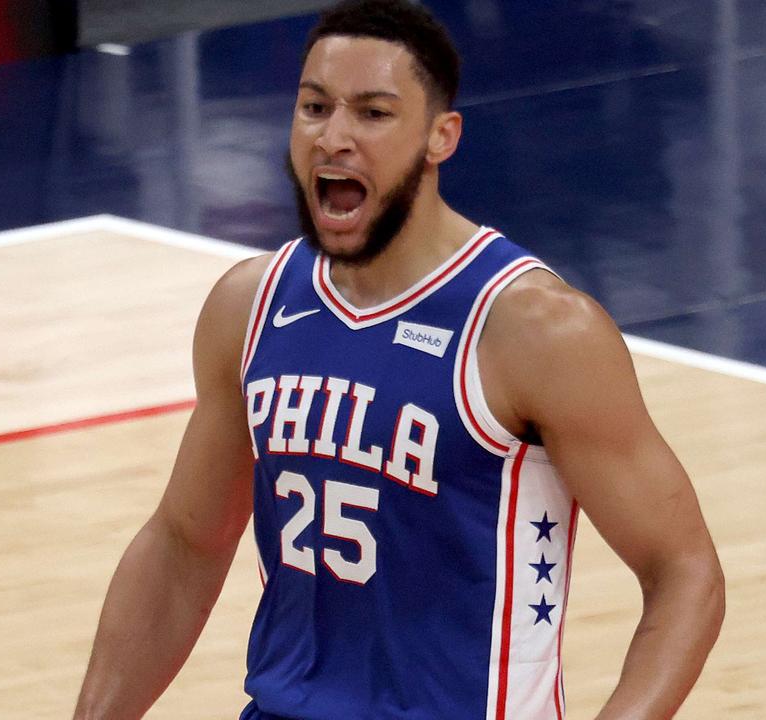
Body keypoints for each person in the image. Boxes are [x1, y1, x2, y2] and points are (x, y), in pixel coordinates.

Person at [72, 1, 725, 718]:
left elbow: (686, 571)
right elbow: (183, 546)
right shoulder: (248, 306)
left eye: (373, 113)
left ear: (440, 136)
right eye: (314, 107)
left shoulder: (534, 331)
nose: (334, 136)